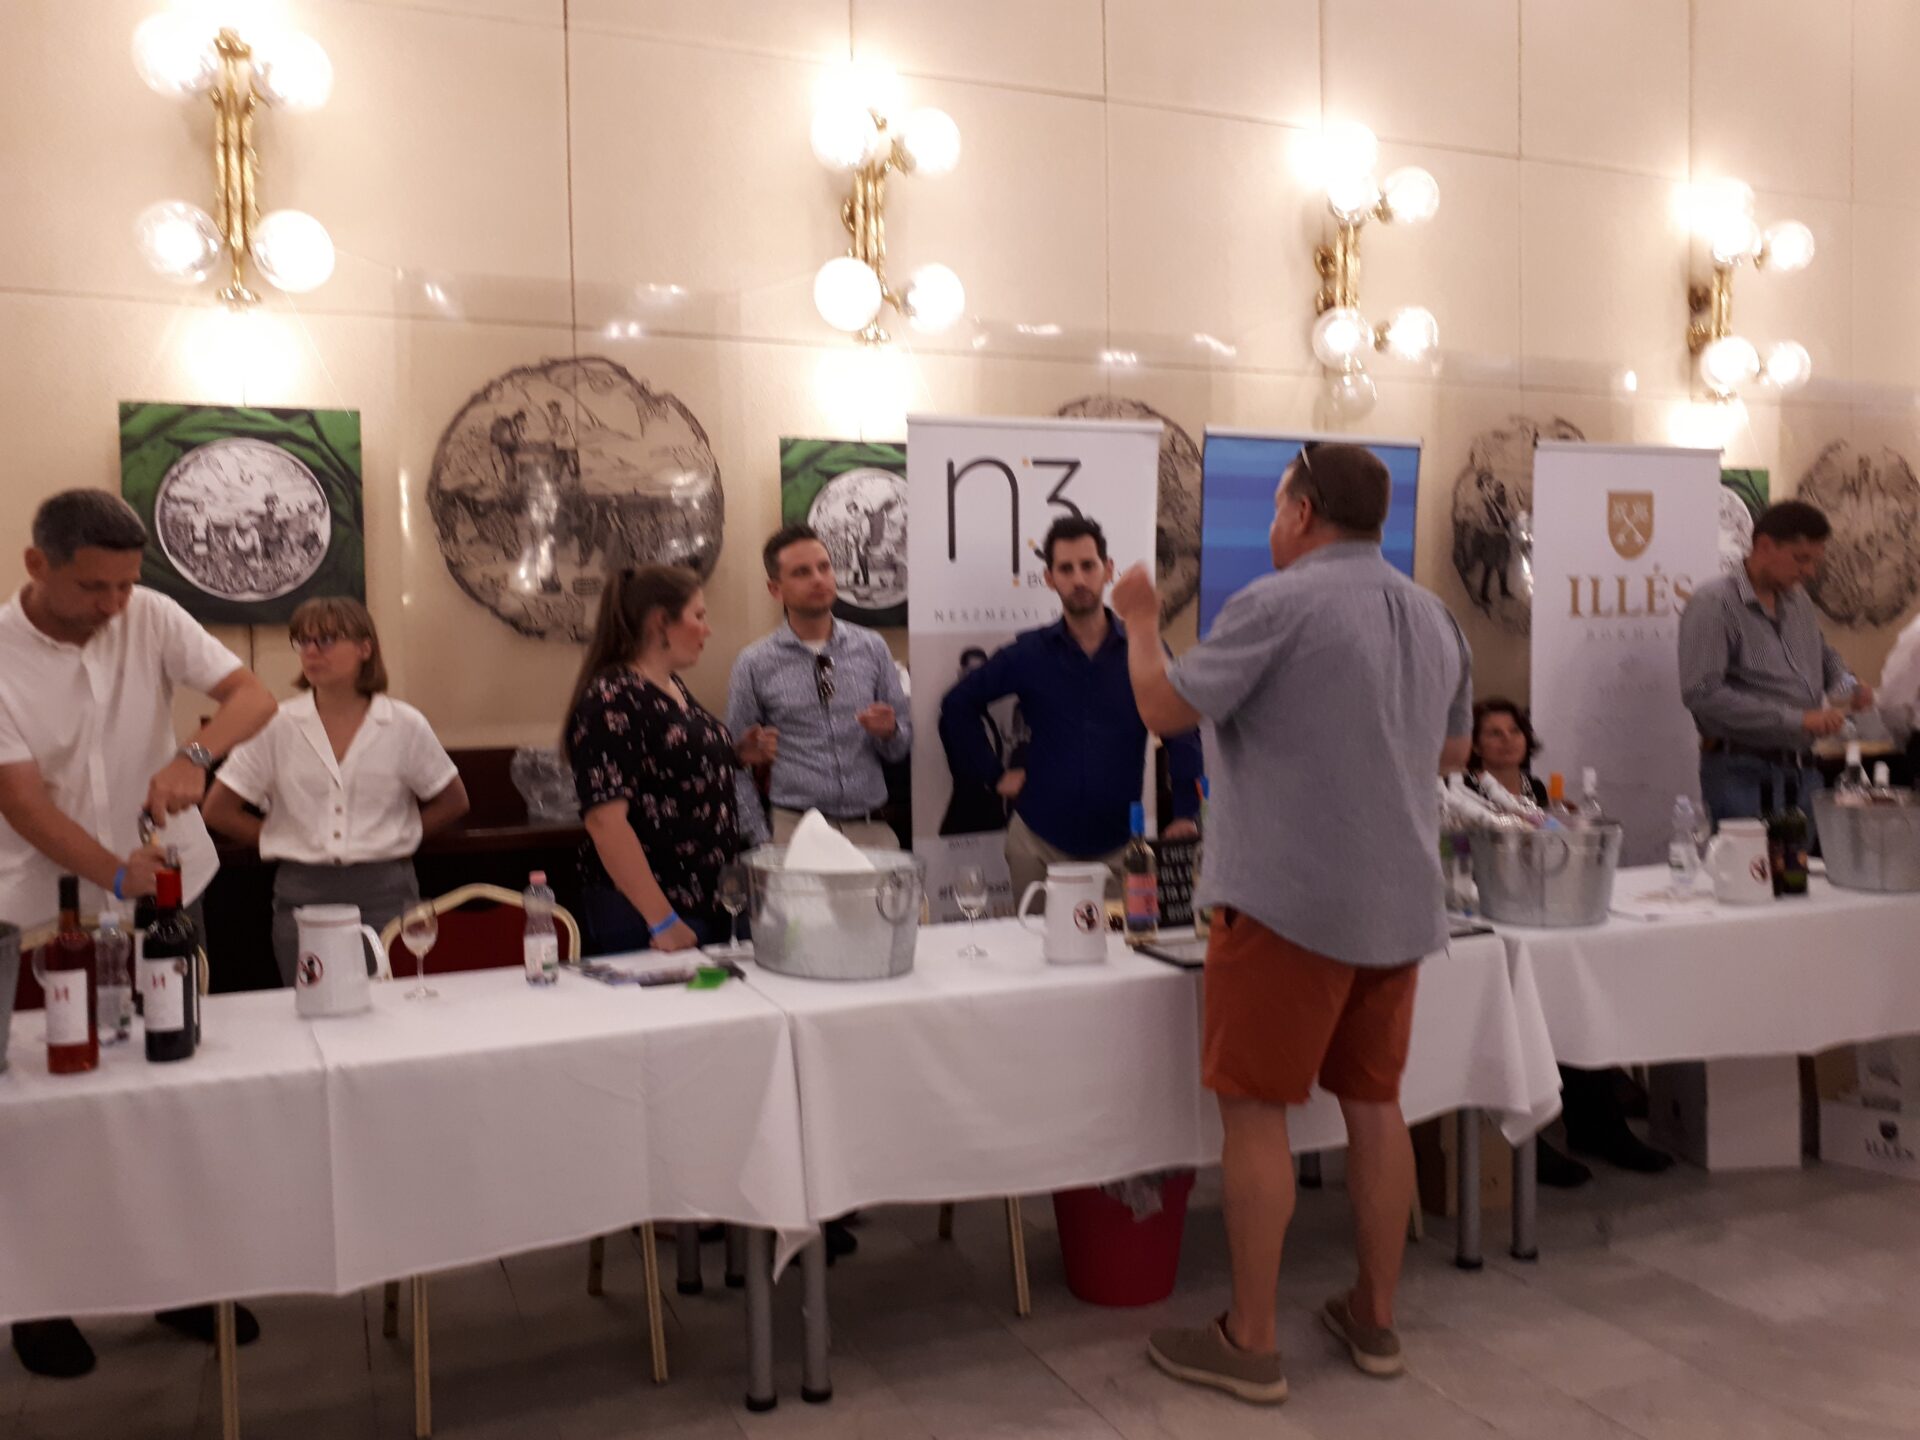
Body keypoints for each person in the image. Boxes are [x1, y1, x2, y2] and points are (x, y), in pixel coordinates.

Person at [1111, 443, 1471, 1403]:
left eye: (1278, 507)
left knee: (1257, 1112)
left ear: (1303, 512)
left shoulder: (1276, 604)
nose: (1274, 524)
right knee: (1375, 1107)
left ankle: (1252, 1340)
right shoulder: (1434, 615)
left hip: (1285, 902)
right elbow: (1453, 751)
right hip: (1399, 902)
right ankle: (1375, 1319)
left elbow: (1162, 708)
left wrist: (1141, 620)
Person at [0, 490, 278, 1379]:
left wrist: (194, 756)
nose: (115, 605)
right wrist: (121, 878)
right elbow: (24, 804)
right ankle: (38, 1297)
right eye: (94, 587)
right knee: (45, 1110)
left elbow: (253, 695)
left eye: (126, 585)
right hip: (38, 907)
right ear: (37, 566)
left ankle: (176, 1277)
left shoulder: (150, 614)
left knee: (171, 1090)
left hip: (167, 893)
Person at [202, 598, 470, 985]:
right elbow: (218, 809)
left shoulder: (403, 723)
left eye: (326, 639)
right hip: (303, 893)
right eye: (303, 641)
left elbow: (453, 801)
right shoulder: (277, 723)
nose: (311, 651)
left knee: (393, 1007)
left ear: (365, 648)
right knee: (311, 1006)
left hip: (385, 891)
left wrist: (400, 835)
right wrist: (284, 838)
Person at [938, 516, 1201, 902]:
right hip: (1037, 846)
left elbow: (1181, 730)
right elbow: (956, 705)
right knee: (1029, 942)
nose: (1078, 579)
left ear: (1108, 570)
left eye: (1088, 565)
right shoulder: (1029, 653)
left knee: (1125, 944)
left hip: (1119, 849)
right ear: (1049, 578)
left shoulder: (1143, 650)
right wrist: (993, 774)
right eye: (1065, 568)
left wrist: (1184, 813)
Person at [1467, 699, 1671, 1185]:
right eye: (1493, 733)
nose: (1506, 740)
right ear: (1473, 745)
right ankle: (1526, 1142)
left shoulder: (1537, 789)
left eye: (1513, 730)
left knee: (1577, 1003)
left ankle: (1599, 1126)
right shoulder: (1464, 792)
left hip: (1546, 914)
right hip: (1492, 915)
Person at [563, 564, 757, 955]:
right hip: (652, 914)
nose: (707, 630)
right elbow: (605, 821)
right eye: (698, 616)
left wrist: (735, 756)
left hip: (707, 900)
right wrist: (663, 920)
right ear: (660, 622)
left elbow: (669, 769)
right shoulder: (613, 697)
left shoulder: (670, 685)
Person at [1679, 500, 1872, 826]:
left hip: (1803, 773)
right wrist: (1799, 719)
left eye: (1815, 561)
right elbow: (1703, 693)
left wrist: (1849, 686)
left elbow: (1823, 656)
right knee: (1748, 860)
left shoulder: (1799, 602)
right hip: (1741, 773)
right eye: (1801, 559)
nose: (1809, 572)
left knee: (1802, 861)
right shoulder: (1714, 604)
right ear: (1765, 546)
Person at [726, 524, 910, 850]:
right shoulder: (754, 663)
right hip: (795, 831)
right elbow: (734, 762)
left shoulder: (872, 648)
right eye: (802, 572)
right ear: (775, 589)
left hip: (871, 830)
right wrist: (760, 840)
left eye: (824, 567)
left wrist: (890, 732)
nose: (818, 579)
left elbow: (901, 746)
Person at [938, 648, 1012, 836]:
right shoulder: (954, 714)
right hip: (969, 808)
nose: (977, 678)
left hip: (992, 805)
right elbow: (969, 761)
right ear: (961, 673)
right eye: (972, 671)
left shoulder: (985, 714)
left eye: (982, 672)